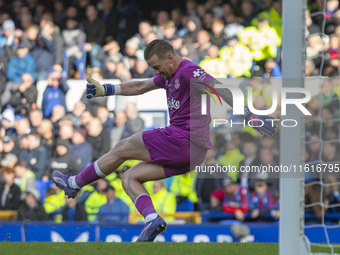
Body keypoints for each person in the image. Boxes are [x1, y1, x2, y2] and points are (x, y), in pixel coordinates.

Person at [52, 39, 276, 242]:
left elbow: (221, 90)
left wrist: (250, 116)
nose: (157, 72)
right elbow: (141, 86)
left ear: (170, 57)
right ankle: (151, 220)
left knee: (121, 148)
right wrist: (108, 89)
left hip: (183, 139)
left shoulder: (189, 72)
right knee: (130, 177)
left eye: (158, 67)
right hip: (191, 155)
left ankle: (74, 184)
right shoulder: (168, 74)